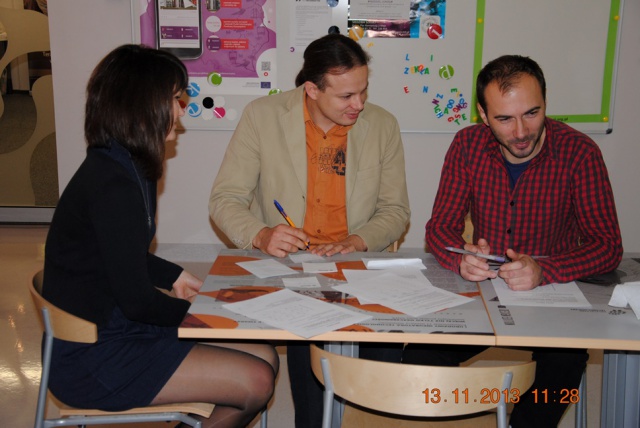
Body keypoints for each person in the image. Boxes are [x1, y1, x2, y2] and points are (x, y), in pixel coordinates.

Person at [42, 44, 278, 428]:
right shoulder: (112, 183)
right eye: (174, 99)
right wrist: (208, 316)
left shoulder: (129, 165)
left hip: (115, 326)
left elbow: (120, 253)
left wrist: (174, 275)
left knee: (265, 355)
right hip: (94, 354)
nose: (181, 111)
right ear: (142, 105)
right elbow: (137, 301)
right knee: (257, 379)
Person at [410, 54, 623, 427]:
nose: (521, 132)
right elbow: (439, 228)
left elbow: (608, 245)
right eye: (505, 119)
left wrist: (544, 270)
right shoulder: (467, 145)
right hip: (485, 293)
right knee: (419, 358)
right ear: (483, 114)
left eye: (532, 113)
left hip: (554, 295)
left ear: (545, 103)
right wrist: (461, 259)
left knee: (564, 369)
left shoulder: (580, 152)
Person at [209, 34, 410, 427]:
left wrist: (357, 241)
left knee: (381, 389)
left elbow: (395, 211)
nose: (359, 104)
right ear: (312, 89)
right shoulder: (263, 117)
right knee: (312, 390)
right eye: (346, 96)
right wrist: (262, 235)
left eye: (363, 91)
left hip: (360, 264)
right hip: (292, 268)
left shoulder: (382, 125)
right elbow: (225, 199)